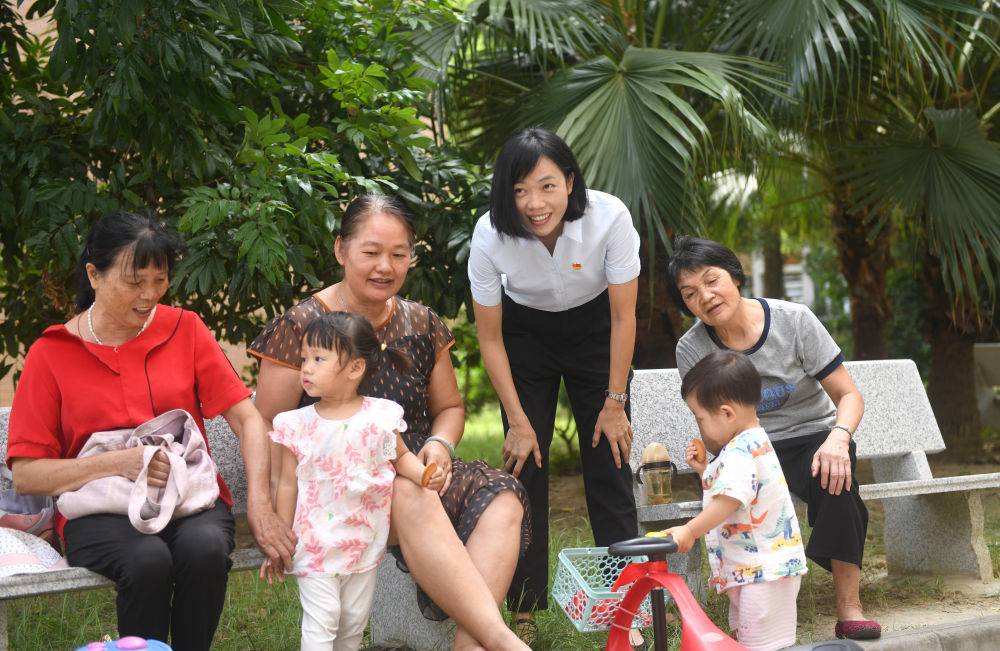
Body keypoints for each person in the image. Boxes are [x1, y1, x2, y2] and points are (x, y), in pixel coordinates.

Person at [248, 194, 532, 651]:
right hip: (335, 490)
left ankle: (471, 646)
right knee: (404, 488)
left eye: (399, 254)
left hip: (415, 463)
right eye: (372, 252)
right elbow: (262, 423)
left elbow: (451, 408)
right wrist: (265, 509)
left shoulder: (422, 321)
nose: (386, 266)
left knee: (501, 498)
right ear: (341, 250)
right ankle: (500, 639)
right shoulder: (303, 324)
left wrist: (440, 443)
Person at [5, 211, 296, 650]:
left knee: (205, 552)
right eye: (134, 282)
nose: (149, 295)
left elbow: (247, 417)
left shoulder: (185, 329)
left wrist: (259, 503)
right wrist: (120, 463)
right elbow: (27, 473)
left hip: (188, 496)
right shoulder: (52, 352)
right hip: (99, 511)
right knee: (147, 561)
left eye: (159, 281)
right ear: (94, 275)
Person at [468, 127, 640, 643]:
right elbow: (491, 339)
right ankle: (521, 607)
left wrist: (615, 402)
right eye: (519, 190)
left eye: (546, 186)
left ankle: (625, 602)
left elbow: (624, 316)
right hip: (525, 337)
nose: (534, 204)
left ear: (569, 180)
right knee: (525, 467)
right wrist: (518, 422)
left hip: (597, 332)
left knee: (609, 460)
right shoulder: (489, 235)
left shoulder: (610, 217)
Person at [666, 235, 878, 641]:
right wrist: (709, 461)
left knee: (837, 472)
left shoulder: (793, 320)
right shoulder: (692, 348)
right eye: (690, 294)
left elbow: (848, 395)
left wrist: (838, 436)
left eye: (712, 281)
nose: (705, 297)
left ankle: (849, 605)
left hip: (813, 437)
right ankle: (759, 605)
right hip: (748, 448)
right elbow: (713, 431)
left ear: (735, 276)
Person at [261, 311, 442, 650]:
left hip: (363, 540)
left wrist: (423, 474)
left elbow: (400, 456)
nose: (307, 368)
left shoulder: (379, 416)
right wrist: (282, 538)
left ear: (355, 369)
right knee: (323, 622)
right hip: (315, 544)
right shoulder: (297, 425)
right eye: (304, 359)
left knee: (352, 625)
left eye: (318, 359)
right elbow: (287, 484)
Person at [662, 350, 807, 651]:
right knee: (750, 642)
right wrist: (706, 471)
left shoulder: (741, 451)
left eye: (700, 418)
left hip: (762, 574)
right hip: (757, 571)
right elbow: (740, 491)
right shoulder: (749, 442)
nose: (699, 426)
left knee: (758, 645)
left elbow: (727, 502)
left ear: (727, 413)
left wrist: (690, 531)